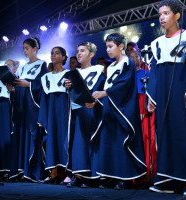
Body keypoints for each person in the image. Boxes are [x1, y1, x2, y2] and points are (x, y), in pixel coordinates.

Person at [147, 0, 186, 195]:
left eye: (166, 13)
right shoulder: (156, 44)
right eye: (160, 14)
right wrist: (151, 96)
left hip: (183, 91)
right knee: (165, 134)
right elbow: (153, 72)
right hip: (162, 94)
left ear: (177, 15)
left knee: (185, 133)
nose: (161, 17)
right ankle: (170, 180)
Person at [92, 33, 146, 190]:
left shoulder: (127, 62)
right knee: (110, 143)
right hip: (110, 107)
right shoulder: (111, 66)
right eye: (107, 47)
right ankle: (111, 176)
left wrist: (106, 93)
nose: (108, 50)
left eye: (111, 46)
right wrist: (98, 98)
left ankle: (125, 177)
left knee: (122, 142)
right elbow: (107, 86)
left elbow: (124, 85)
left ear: (120, 46)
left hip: (123, 108)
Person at [64, 42, 106, 188]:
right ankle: (79, 175)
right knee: (77, 144)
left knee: (91, 143)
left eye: (83, 51)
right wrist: (68, 87)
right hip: (76, 111)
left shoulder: (99, 70)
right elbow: (71, 95)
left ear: (92, 54)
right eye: (77, 51)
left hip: (91, 110)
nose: (79, 53)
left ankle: (92, 176)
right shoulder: (74, 73)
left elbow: (101, 90)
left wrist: (95, 101)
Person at [9, 37, 47, 182]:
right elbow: (19, 83)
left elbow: (42, 83)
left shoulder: (42, 64)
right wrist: (13, 88)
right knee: (20, 134)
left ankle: (31, 171)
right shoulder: (23, 67)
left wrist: (29, 85)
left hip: (32, 105)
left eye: (27, 48)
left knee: (32, 136)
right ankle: (20, 170)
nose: (25, 51)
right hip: (21, 105)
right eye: (23, 48)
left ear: (35, 49)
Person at [38, 47, 69, 184]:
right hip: (50, 113)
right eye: (52, 53)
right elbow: (43, 99)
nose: (53, 55)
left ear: (63, 57)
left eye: (57, 53)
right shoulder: (45, 77)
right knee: (50, 140)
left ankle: (68, 173)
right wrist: (42, 118)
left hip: (64, 111)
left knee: (65, 140)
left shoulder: (69, 74)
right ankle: (53, 173)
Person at [128, 49, 157, 185]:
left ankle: (149, 173)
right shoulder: (126, 76)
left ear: (140, 58)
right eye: (131, 57)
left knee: (148, 140)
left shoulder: (148, 74)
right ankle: (133, 176)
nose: (134, 59)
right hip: (131, 110)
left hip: (145, 111)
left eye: (136, 56)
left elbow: (151, 96)